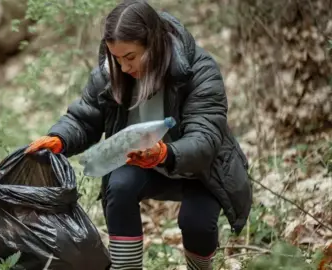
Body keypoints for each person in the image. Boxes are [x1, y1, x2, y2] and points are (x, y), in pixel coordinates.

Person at [25, 1, 252, 269]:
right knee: (118, 187)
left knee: (197, 223)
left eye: (130, 57)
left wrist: (166, 153)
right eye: (116, 58)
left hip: (199, 170)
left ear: (153, 44)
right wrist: (59, 138)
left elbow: (205, 138)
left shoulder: (198, 71)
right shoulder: (111, 74)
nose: (123, 67)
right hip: (145, 166)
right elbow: (83, 118)